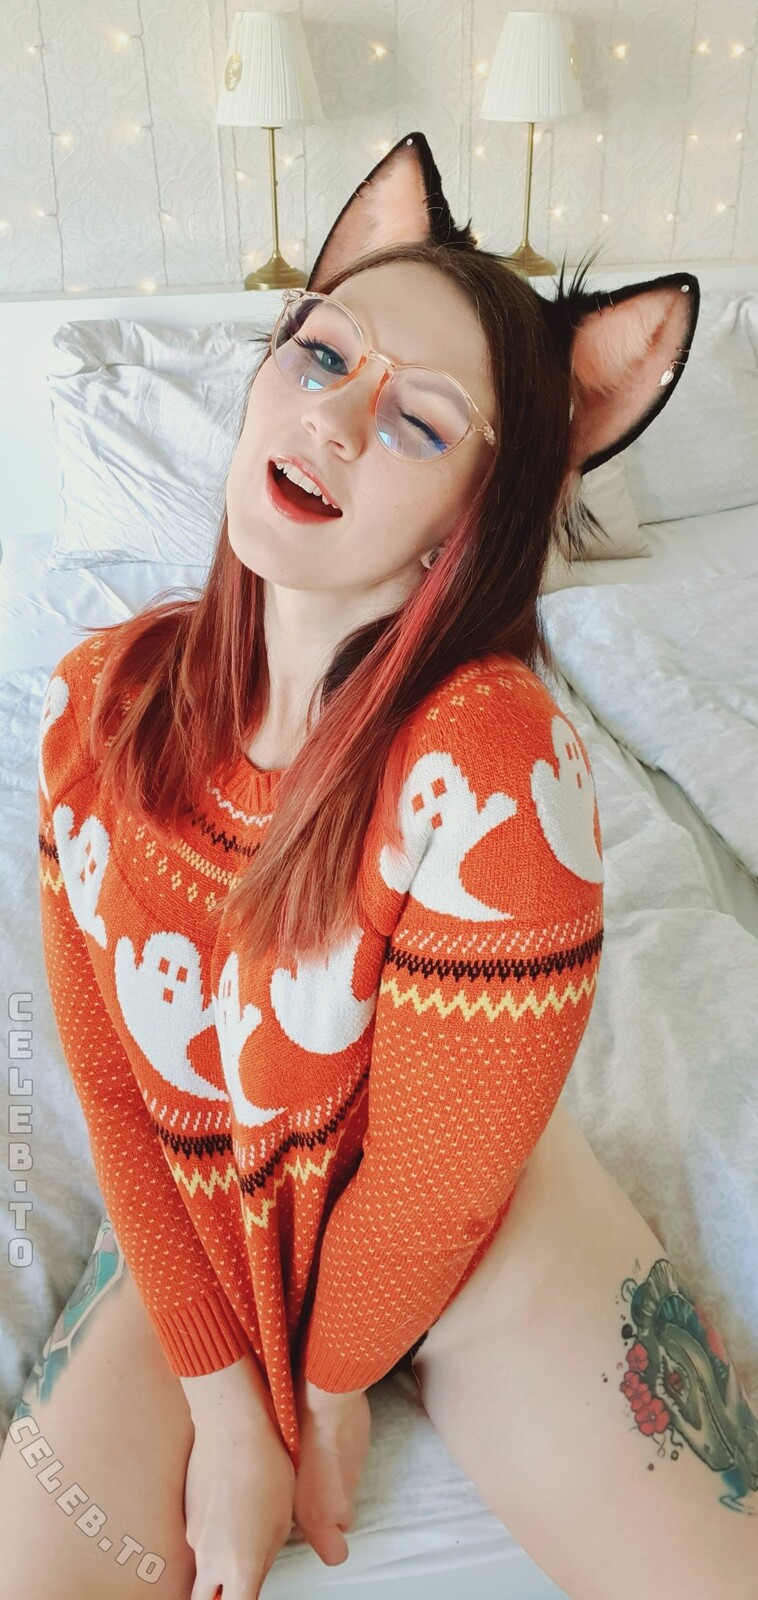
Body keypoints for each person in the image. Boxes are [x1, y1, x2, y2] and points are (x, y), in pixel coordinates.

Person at [2, 130, 754, 1600]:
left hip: (464, 1224)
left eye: (419, 422)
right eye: (322, 353)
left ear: (480, 515)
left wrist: (331, 1388)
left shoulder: (492, 759)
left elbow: (436, 1176)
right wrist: (233, 1411)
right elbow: (111, 1084)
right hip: (210, 1210)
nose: (338, 416)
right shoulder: (97, 704)